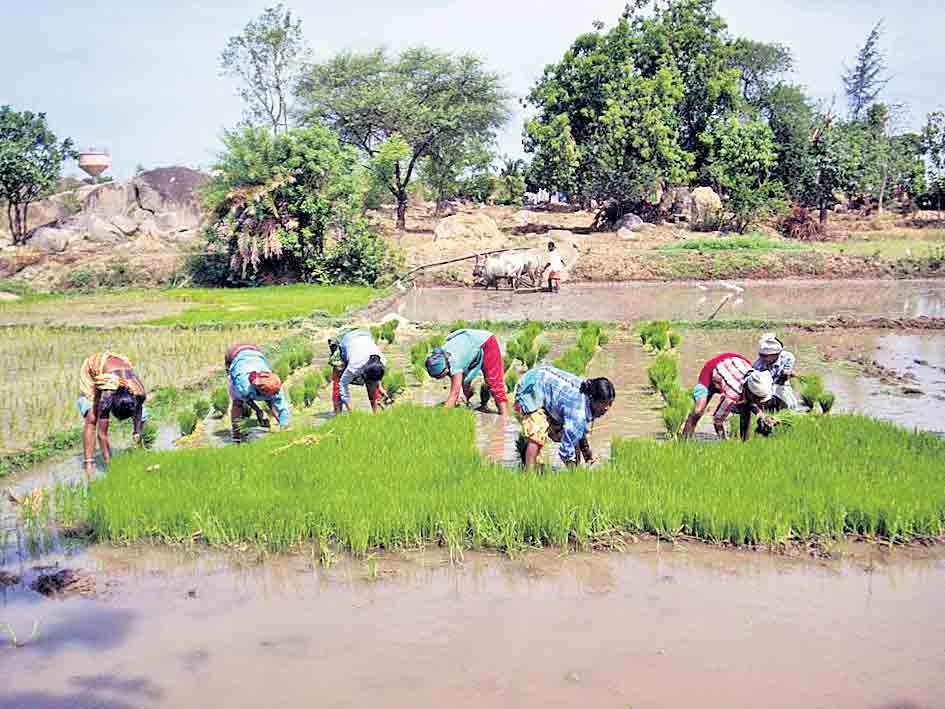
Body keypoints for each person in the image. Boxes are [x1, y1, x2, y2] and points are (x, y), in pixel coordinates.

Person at [514, 365, 615, 468]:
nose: (607, 408)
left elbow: (578, 431)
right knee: (537, 432)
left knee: (569, 435)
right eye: (603, 403)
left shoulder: (586, 394)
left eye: (610, 403)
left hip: (546, 386)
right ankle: (529, 474)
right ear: (592, 398)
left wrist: (587, 453)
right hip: (532, 387)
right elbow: (566, 450)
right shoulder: (578, 411)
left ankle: (574, 468)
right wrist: (573, 475)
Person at [78, 352, 147, 479]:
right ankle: (89, 464)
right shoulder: (107, 398)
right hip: (94, 370)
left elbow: (139, 412)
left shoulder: (139, 394)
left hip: (119, 367)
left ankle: (142, 447)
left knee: (143, 416)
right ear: (112, 406)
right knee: (92, 418)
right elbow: (102, 435)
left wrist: (137, 434)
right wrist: (111, 465)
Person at [681, 353, 774, 441]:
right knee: (698, 411)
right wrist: (725, 441)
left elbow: (755, 405)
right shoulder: (732, 395)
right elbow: (717, 420)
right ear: (751, 393)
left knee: (746, 408)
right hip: (712, 369)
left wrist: (762, 416)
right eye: (758, 399)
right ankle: (684, 442)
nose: (761, 402)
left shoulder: (758, 381)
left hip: (736, 363)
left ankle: (745, 443)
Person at [425, 328, 509, 415]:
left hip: (486, 342)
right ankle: (468, 405)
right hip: (469, 343)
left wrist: (442, 416)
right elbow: (457, 382)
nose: (440, 378)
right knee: (463, 383)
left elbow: (454, 393)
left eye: (440, 376)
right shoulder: (442, 354)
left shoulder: (455, 362)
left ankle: (504, 417)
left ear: (445, 368)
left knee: (494, 382)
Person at [225, 343, 289, 442]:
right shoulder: (243, 385)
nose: (275, 395)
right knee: (238, 403)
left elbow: (283, 409)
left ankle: (282, 429)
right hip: (234, 354)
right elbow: (246, 398)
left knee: (271, 402)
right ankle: (236, 437)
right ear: (259, 390)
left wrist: (285, 427)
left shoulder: (275, 386)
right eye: (270, 394)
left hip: (255, 352)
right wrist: (257, 410)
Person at [329, 328, 388, 414]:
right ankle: (337, 414)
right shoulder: (355, 365)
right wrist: (351, 411)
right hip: (347, 339)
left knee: (372, 382)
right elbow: (343, 384)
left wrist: (379, 387)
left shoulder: (382, 361)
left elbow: (376, 376)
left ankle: (376, 414)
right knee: (338, 375)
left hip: (365, 335)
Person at [752, 333, 799, 410]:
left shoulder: (787, 357)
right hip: (765, 386)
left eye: (765, 356)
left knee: (790, 406)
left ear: (777, 354)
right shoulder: (758, 365)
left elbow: (787, 372)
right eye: (761, 355)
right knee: (767, 407)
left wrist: (789, 373)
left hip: (782, 383)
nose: (762, 358)